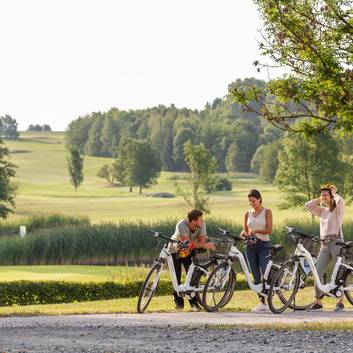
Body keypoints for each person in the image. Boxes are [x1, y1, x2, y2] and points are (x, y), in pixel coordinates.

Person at [305, 184, 345, 311]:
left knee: (339, 271)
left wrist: (333, 193)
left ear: (332, 196)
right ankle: (318, 302)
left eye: (325, 195)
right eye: (322, 194)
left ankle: (340, 301)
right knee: (318, 271)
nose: (323, 197)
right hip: (325, 245)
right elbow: (308, 205)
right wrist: (320, 198)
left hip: (336, 242)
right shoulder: (322, 211)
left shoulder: (337, 208)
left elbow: (339, 200)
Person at [169, 209, 216, 311]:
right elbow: (186, 243)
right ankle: (179, 303)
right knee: (176, 276)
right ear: (192, 221)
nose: (202, 221)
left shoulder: (202, 225)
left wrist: (201, 244)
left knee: (192, 276)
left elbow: (201, 242)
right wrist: (203, 245)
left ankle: (194, 302)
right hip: (175, 250)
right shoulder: (181, 225)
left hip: (190, 251)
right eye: (200, 220)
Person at [240, 189, 273, 312]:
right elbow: (245, 230)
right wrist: (243, 234)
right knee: (256, 275)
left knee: (265, 273)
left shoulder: (267, 212)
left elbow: (269, 230)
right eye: (249, 201)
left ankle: (269, 301)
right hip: (250, 246)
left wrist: (256, 231)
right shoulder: (247, 213)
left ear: (259, 199)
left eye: (253, 201)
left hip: (264, 245)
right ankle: (262, 303)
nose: (251, 203)